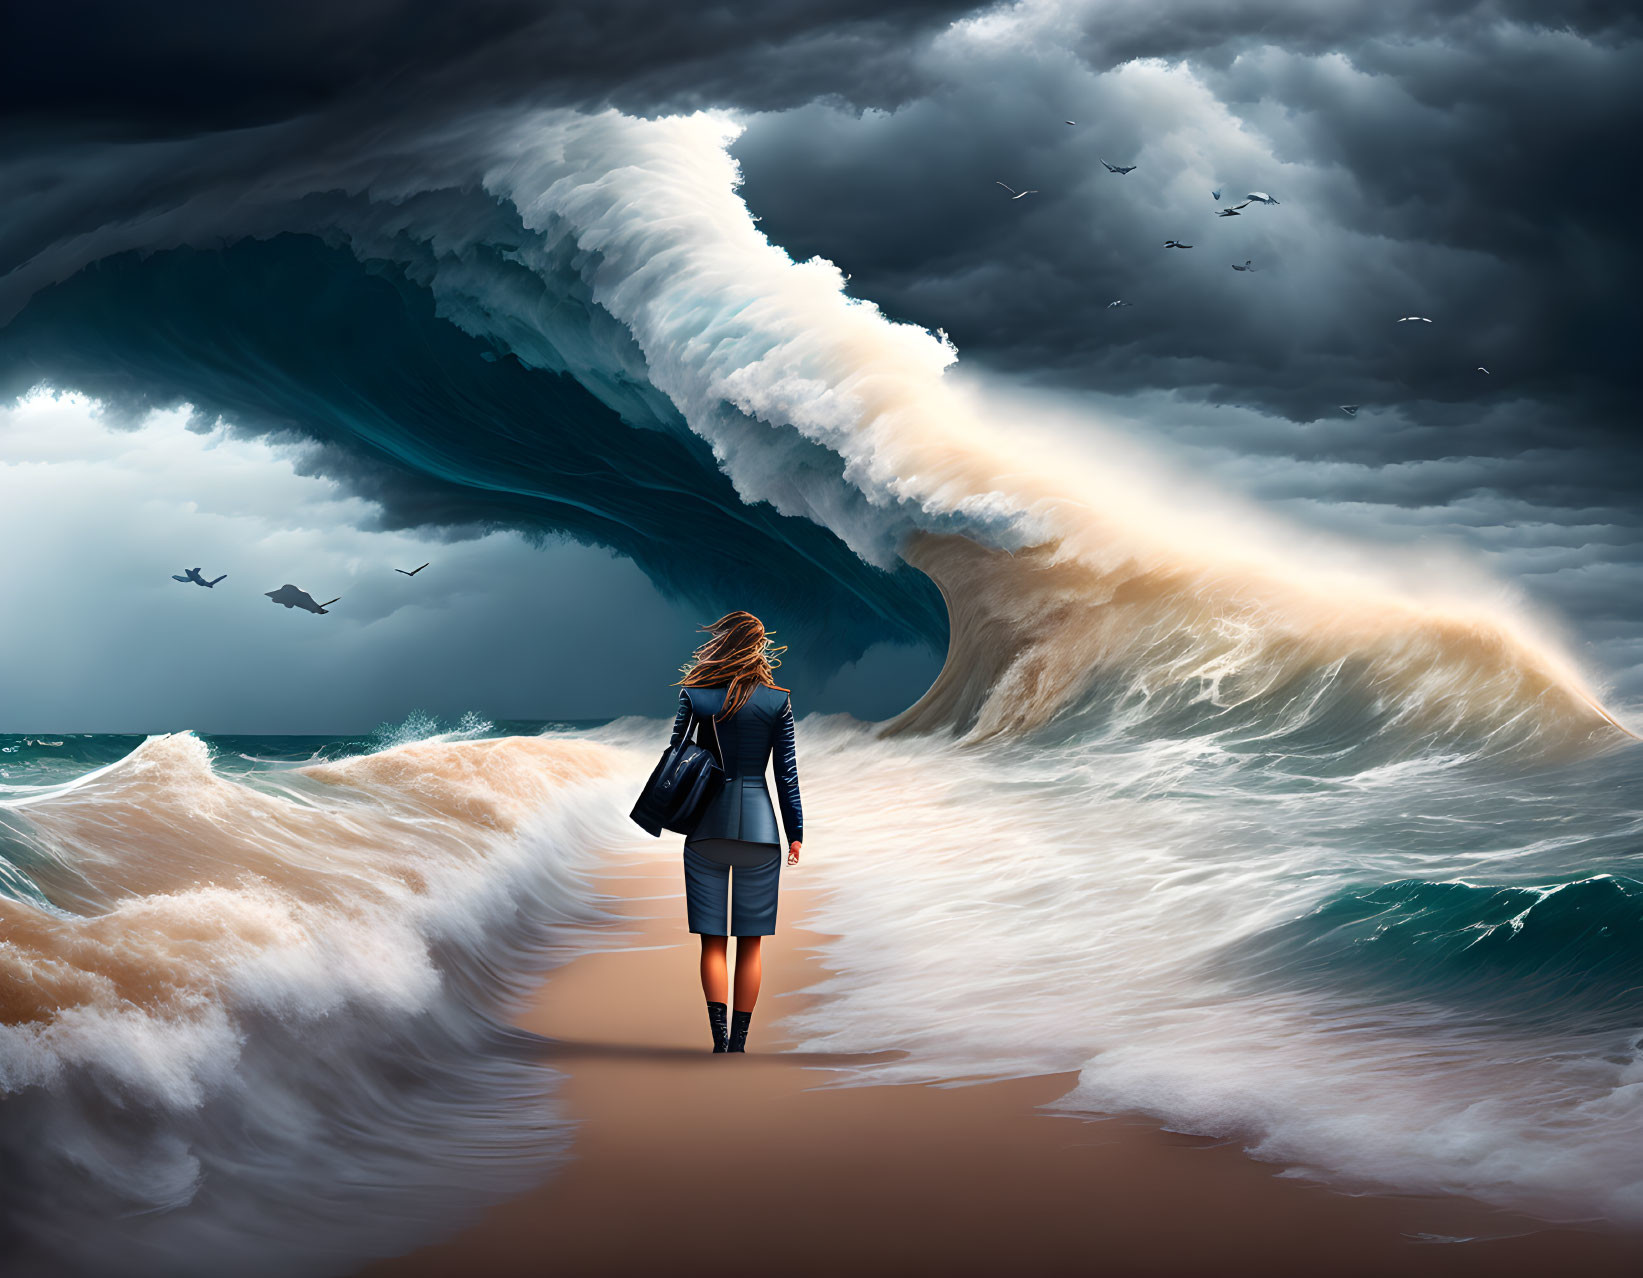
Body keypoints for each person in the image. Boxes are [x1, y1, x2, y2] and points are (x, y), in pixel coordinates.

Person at [669, 611, 802, 1054]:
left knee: (713, 943)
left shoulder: (696, 695)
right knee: (751, 945)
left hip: (705, 828)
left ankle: (718, 1040)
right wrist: (796, 830)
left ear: (722, 644)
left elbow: (674, 757)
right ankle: (740, 1045)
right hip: (761, 831)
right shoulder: (777, 701)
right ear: (758, 647)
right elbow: (786, 775)